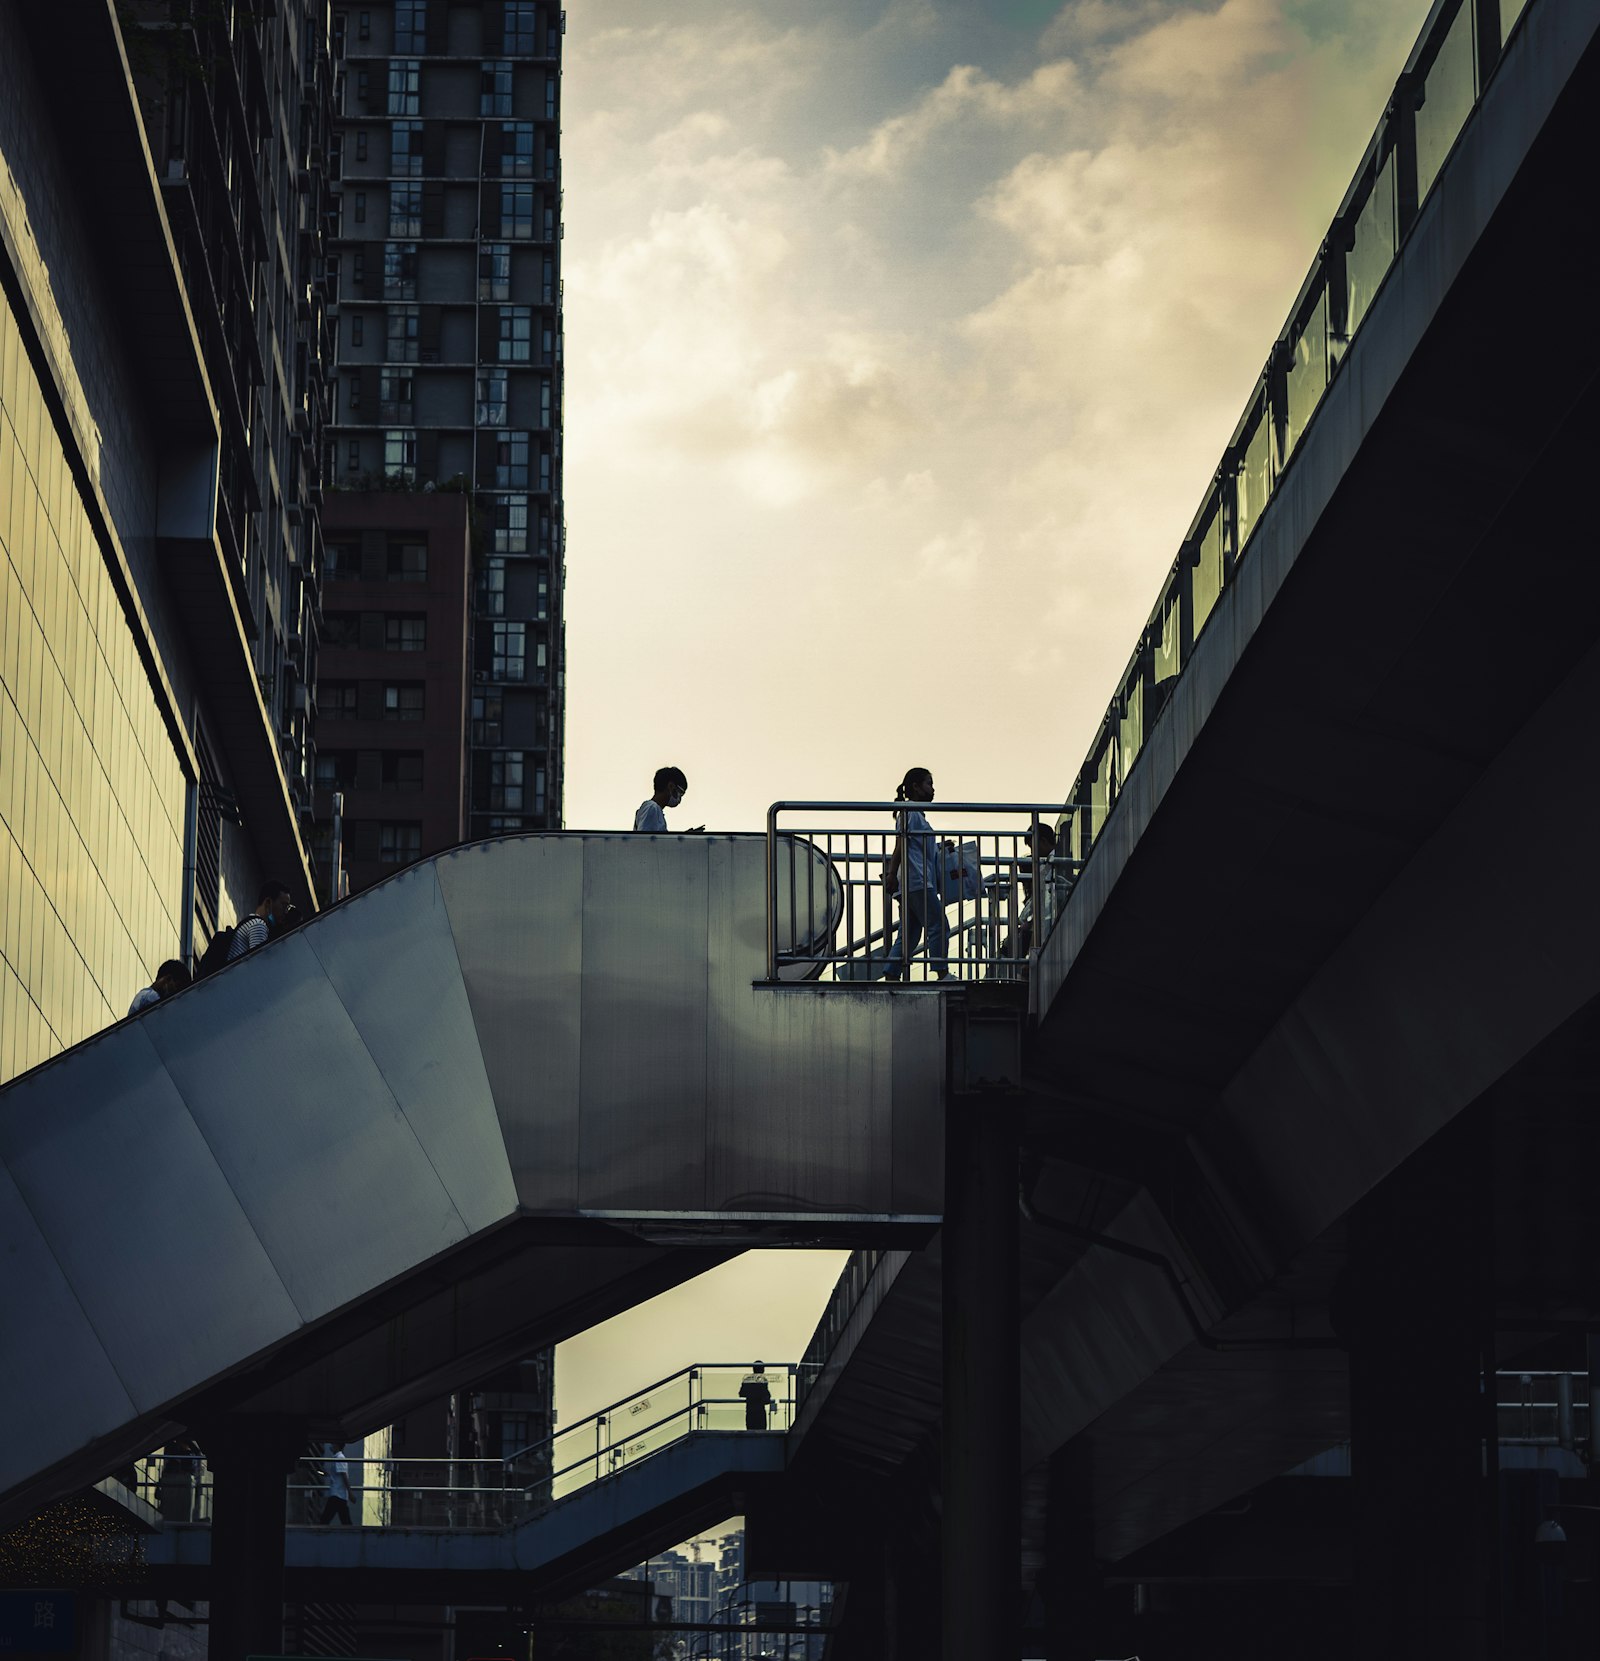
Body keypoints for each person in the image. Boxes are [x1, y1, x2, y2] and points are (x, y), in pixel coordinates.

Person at [882, 767, 950, 981]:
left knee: (910, 933)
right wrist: (891, 874)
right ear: (916, 787)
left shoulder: (913, 813)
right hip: (916, 881)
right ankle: (942, 972)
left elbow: (914, 847)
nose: (933, 789)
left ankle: (892, 973)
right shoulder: (910, 811)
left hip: (913, 882)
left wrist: (939, 847)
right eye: (929, 783)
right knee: (938, 923)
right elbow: (900, 844)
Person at [227, 879, 294, 963]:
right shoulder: (259, 925)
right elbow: (259, 964)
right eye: (284, 906)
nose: (285, 912)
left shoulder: (250, 921)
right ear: (268, 902)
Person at [633, 767, 704, 833]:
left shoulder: (655, 810)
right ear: (671, 786)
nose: (680, 799)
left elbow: (661, 844)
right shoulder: (652, 808)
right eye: (680, 792)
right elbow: (646, 842)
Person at [318, 1444, 353, 1525]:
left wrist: (350, 1493)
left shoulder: (340, 1458)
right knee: (345, 1520)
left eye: (333, 1444)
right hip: (340, 1494)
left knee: (325, 1519)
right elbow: (339, 1475)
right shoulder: (337, 1457)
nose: (331, 1446)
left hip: (337, 1493)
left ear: (337, 1446)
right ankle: (351, 1534)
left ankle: (320, 1534)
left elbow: (344, 1475)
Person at [740, 1361, 776, 1430]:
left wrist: (751, 1395)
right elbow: (767, 1396)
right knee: (762, 1433)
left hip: (750, 1411)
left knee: (750, 1433)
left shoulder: (747, 1380)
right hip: (760, 1411)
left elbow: (741, 1393)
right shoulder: (762, 1381)